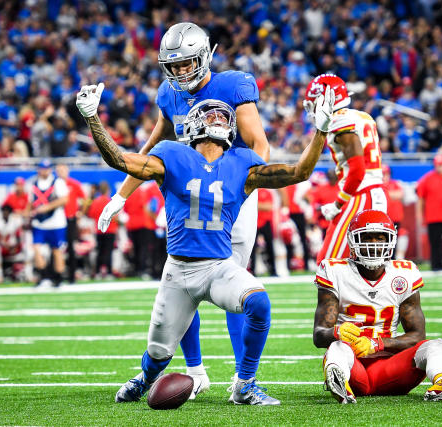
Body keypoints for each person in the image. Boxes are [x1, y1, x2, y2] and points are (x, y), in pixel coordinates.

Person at [77, 84, 333, 404]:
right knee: (158, 354)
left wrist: (320, 131)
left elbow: (299, 172)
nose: (220, 119)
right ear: (194, 124)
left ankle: (244, 384)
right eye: (212, 114)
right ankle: (146, 377)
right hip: (179, 271)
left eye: (225, 116)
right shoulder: (172, 155)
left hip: (218, 266)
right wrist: (92, 119)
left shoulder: (241, 163)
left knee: (259, 302)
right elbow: (120, 161)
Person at [96, 22, 270, 395]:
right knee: (185, 277)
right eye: (172, 66)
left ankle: (244, 380)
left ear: (205, 56)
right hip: (187, 196)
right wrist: (121, 195)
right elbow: (149, 151)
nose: (179, 73)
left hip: (230, 198)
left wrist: (242, 190)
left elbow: (259, 145)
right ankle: (196, 372)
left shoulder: (233, 85)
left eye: (186, 63)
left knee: (234, 283)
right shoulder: (169, 95)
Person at [313, 209, 442, 403]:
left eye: (380, 238)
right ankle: (340, 383)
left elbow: (417, 335)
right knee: (338, 346)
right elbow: (318, 335)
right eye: (366, 238)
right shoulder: (335, 271)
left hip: (390, 368)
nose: (374, 245)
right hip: (353, 364)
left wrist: (377, 344)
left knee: (436, 344)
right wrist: (336, 332)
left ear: (390, 241)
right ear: (352, 241)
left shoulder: (404, 274)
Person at [303, 74, 388, 264]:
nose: (312, 108)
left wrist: (337, 204)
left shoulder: (339, 120)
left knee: (329, 264)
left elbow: (358, 170)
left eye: (313, 102)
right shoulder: (361, 116)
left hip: (360, 194)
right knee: (361, 266)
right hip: (372, 191)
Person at [26, 159, 69, 287]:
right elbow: (30, 202)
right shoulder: (32, 183)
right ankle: (44, 275)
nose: (42, 171)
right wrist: (28, 213)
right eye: (41, 168)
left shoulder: (58, 182)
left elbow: (64, 200)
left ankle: (58, 278)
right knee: (36, 248)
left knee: (57, 250)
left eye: (45, 168)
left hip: (56, 222)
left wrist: (46, 207)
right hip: (39, 223)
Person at [55, 164, 87, 283]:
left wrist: (80, 213)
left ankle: (71, 276)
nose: (60, 173)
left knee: (71, 248)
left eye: (62, 170)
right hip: (57, 220)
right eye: (58, 171)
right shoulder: (54, 185)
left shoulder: (74, 184)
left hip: (70, 219)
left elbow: (85, 199)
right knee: (56, 247)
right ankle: (57, 274)